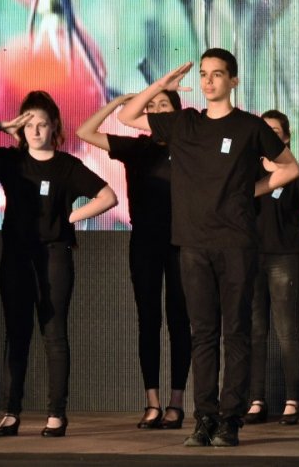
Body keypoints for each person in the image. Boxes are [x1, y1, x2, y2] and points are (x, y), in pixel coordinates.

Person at [117, 49, 299, 447]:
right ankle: (204, 418)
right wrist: (162, 85)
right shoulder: (184, 123)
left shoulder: (250, 126)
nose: (209, 81)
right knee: (202, 333)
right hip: (192, 243)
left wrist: (252, 190)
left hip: (236, 242)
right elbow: (127, 116)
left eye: (217, 74)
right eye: (203, 74)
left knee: (235, 332)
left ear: (233, 80)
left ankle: (230, 420)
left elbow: (290, 167)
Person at [0, 90, 118, 437]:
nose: (35, 131)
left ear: (54, 127)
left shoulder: (66, 166)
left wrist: (71, 217)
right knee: (17, 333)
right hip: (17, 256)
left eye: (42, 124)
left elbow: (108, 196)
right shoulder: (12, 161)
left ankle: (56, 414)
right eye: (28, 124)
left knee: (54, 333)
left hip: (54, 254)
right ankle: (11, 412)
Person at [76, 90, 191, 429]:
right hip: (145, 242)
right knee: (148, 321)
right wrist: (116, 104)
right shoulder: (136, 148)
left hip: (182, 242)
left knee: (180, 321)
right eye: (150, 106)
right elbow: (85, 132)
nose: (156, 111)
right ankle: (152, 402)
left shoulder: (190, 147)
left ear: (177, 112)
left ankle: (176, 403)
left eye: (164, 106)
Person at [244, 110, 299, 426]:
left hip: (284, 260)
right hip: (250, 259)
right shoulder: (247, 172)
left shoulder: (298, 174)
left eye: (275, 131)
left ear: (287, 137)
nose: (269, 136)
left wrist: (293, 246)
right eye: (264, 131)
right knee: (254, 331)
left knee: (286, 330)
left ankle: (292, 400)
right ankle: (256, 399)